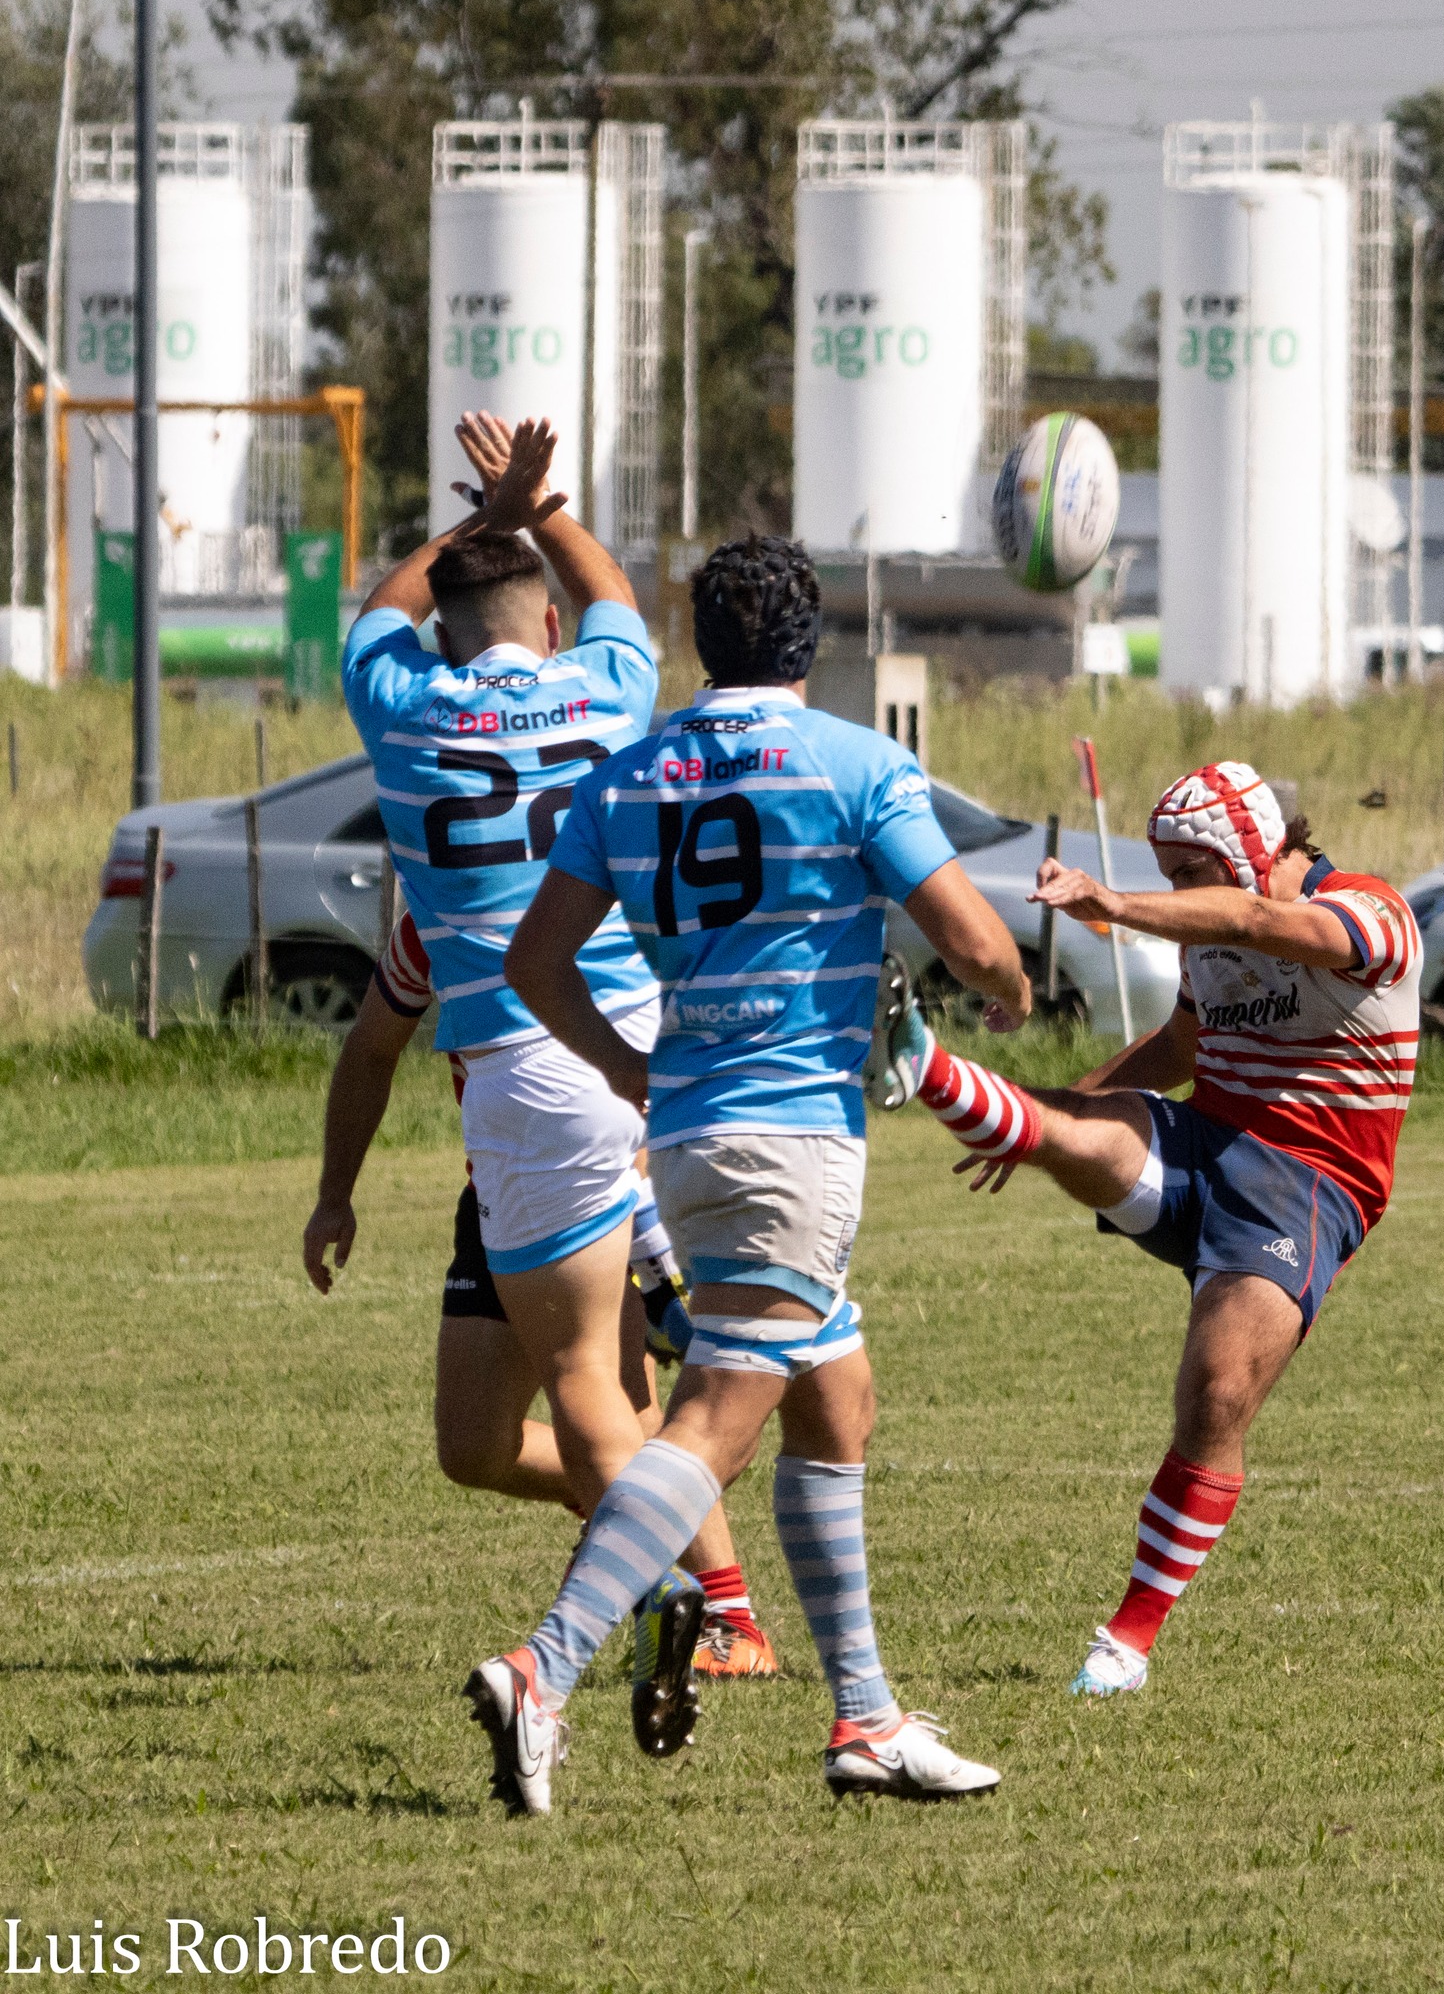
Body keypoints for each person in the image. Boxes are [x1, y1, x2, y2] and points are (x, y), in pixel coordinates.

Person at [460, 533, 1033, 1817]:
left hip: (688, 1127)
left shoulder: (632, 772)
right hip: (792, 1139)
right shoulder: (856, 762)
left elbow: (534, 964)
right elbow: (975, 939)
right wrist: (1007, 991)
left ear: (702, 641)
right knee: (718, 1412)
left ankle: (868, 1721)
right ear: (808, 642)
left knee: (838, 1398)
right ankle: (539, 1670)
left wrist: (628, 1066)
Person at [340, 413, 768, 1789]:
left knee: (595, 1381)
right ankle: (683, 1526)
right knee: (546, 1406)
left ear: (447, 626)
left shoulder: (399, 704)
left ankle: (682, 1594)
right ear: (544, 612)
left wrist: (474, 515)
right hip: (639, 1053)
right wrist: (539, 503)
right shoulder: (602, 692)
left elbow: (375, 616)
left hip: (528, 1079)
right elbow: (622, 601)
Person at [875, 761, 1421, 1699]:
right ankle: (924, 1066)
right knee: (1088, 1130)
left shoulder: (1371, 914)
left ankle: (1126, 1643)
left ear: (1254, 851)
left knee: (1216, 1396)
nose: (1177, 893)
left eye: (1188, 872)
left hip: (1309, 1191)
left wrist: (1108, 900)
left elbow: (1258, 923)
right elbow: (1176, 1048)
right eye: (1165, 875)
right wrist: (1054, 1120)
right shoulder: (1209, 932)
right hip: (1204, 1148)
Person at [299, 906, 778, 1678]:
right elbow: (371, 1047)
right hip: (498, 1185)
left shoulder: (607, 887)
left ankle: (729, 1618)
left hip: (610, 1182)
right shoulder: (440, 915)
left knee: (622, 1396)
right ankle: (617, 1501)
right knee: (473, 1446)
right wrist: (334, 1194)